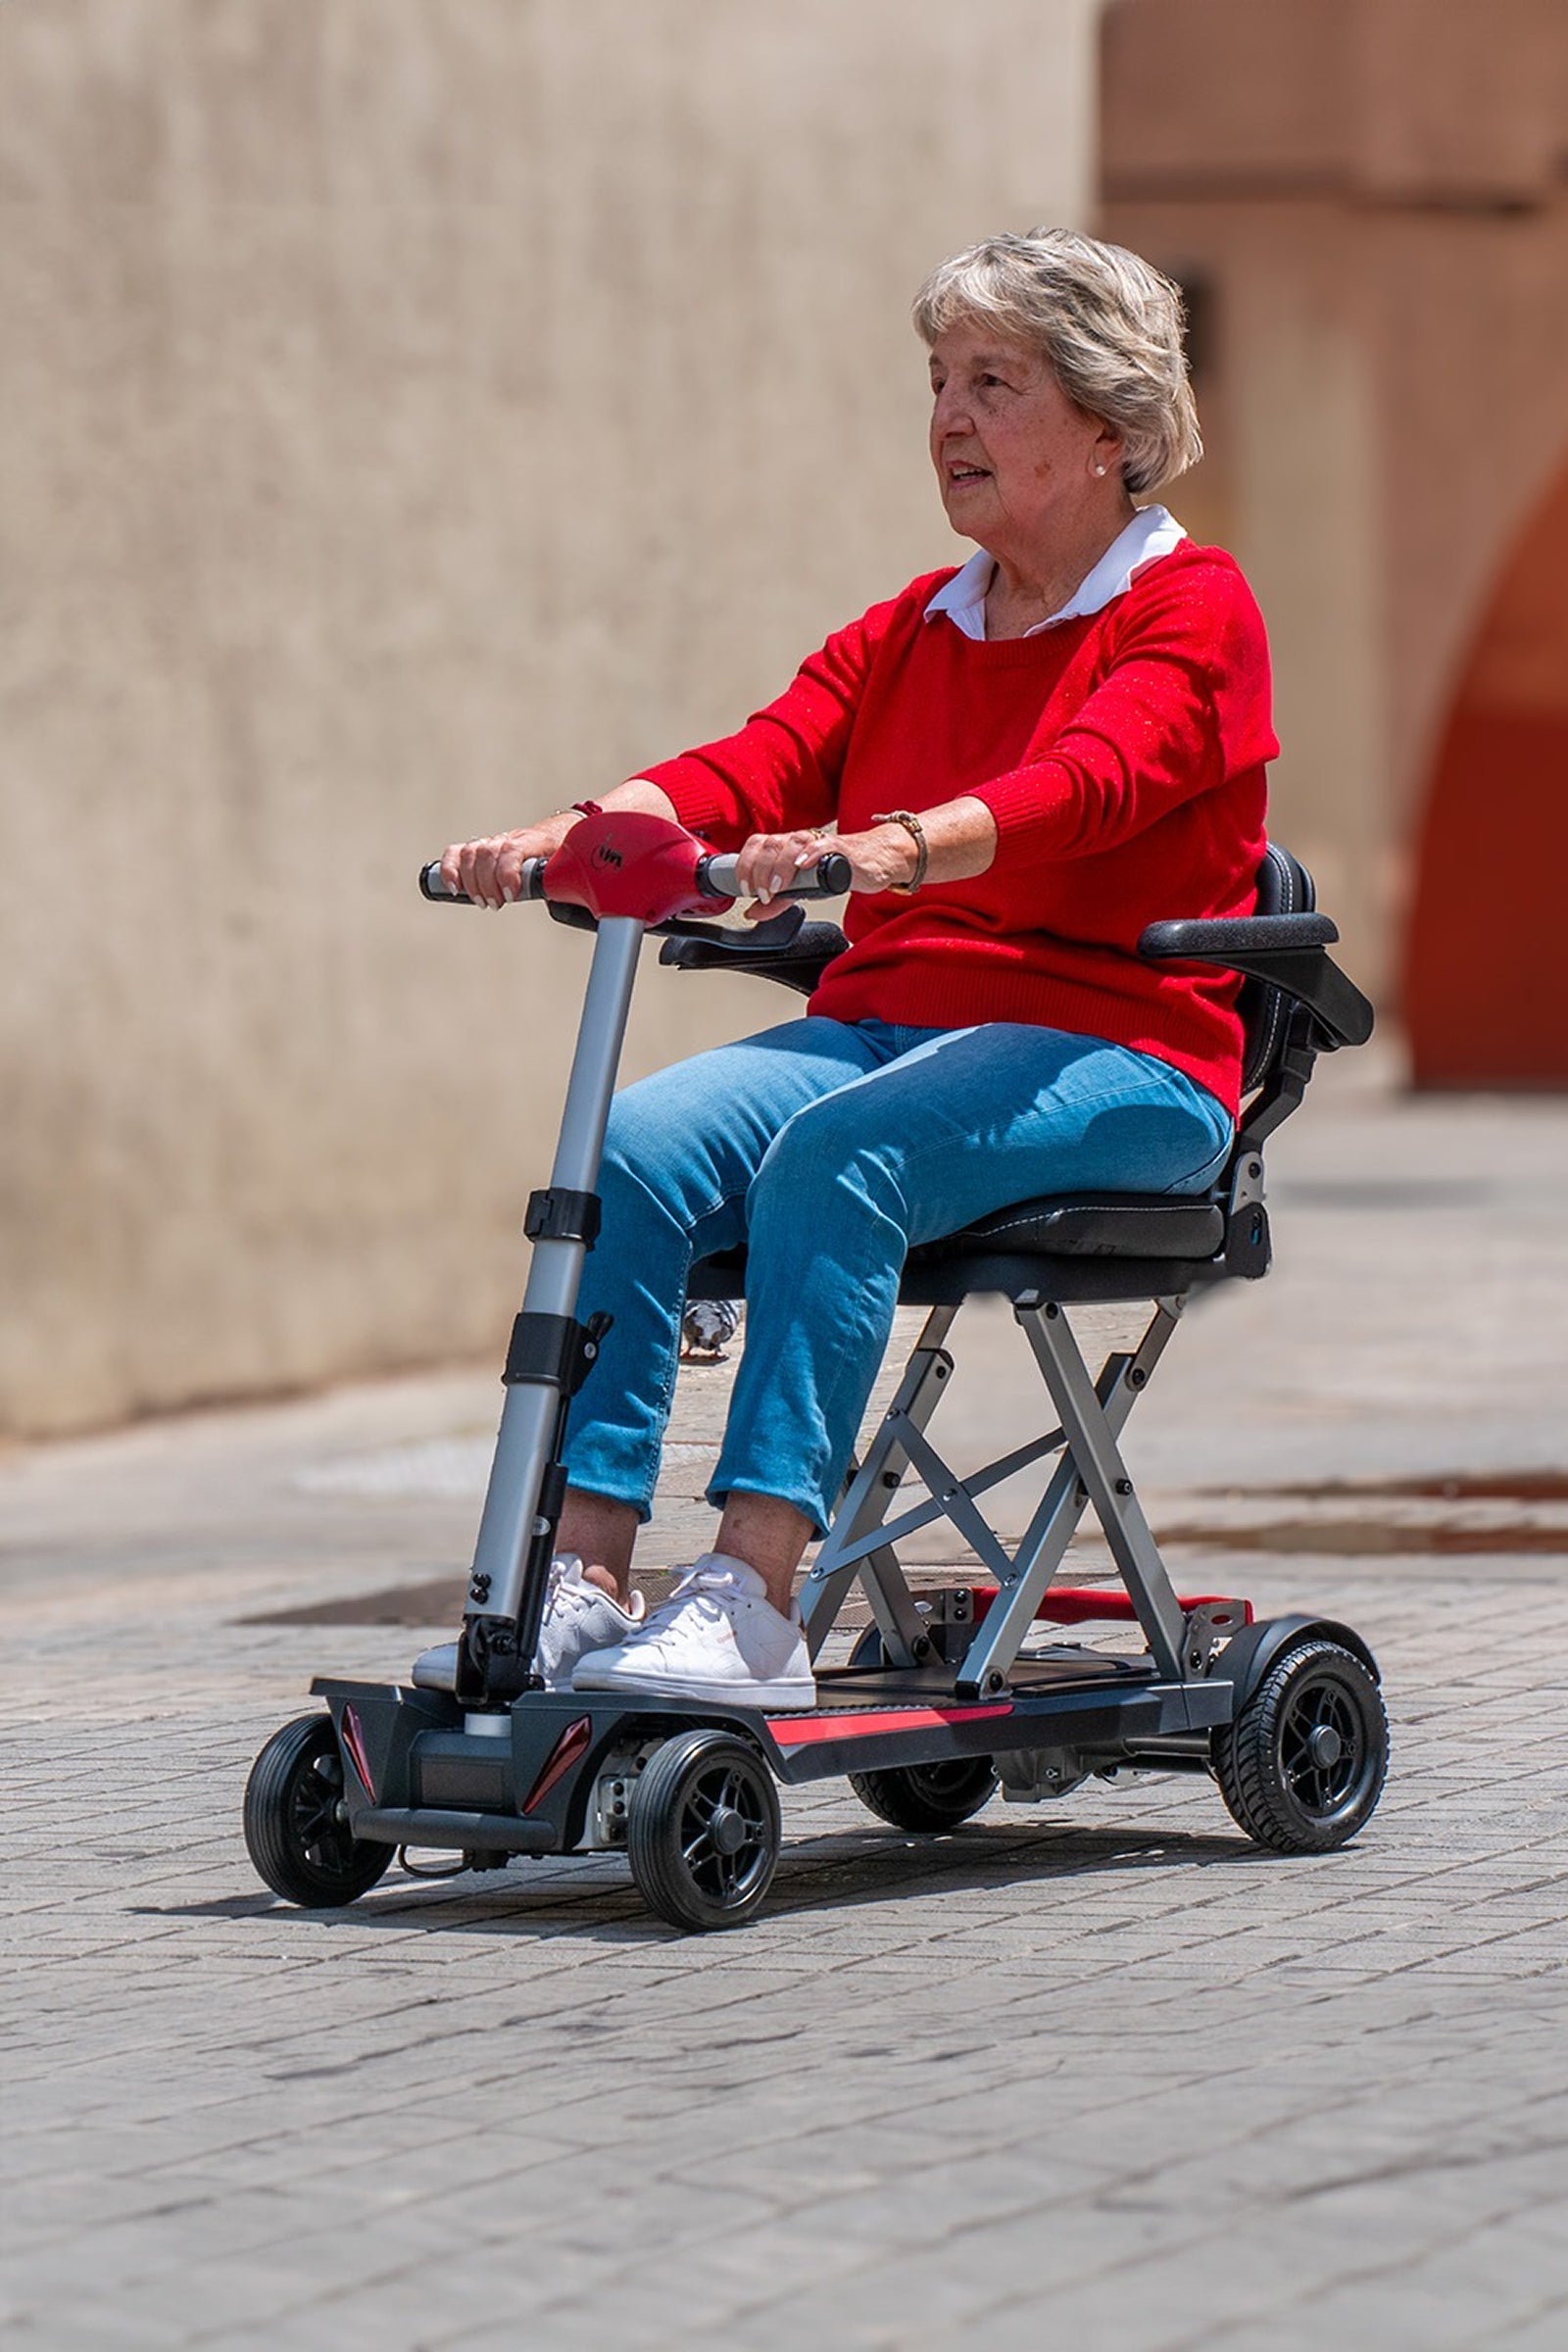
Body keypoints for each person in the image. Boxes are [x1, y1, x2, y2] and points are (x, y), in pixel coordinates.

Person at [418, 226, 1275, 1711]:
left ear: (1109, 425)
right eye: (940, 380)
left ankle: (751, 1598)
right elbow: (757, 761)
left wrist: (895, 845)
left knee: (839, 1156)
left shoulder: (1191, 610)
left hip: (1124, 1052)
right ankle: (583, 1577)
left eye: (994, 383)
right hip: (892, 1028)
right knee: (631, 1148)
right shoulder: (911, 630)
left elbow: (1092, 779)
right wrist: (580, 826)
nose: (948, 417)